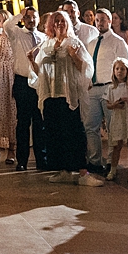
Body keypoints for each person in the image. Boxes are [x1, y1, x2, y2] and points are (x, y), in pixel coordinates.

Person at [32, 10, 96, 184]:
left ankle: (83, 172)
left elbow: (86, 68)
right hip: (51, 95)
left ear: (68, 23)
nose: (59, 24)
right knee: (55, 133)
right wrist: (32, 61)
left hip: (68, 95)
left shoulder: (74, 42)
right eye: (56, 21)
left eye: (63, 21)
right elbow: (39, 72)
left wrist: (74, 55)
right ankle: (63, 169)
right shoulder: (46, 44)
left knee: (73, 132)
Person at [81, 8, 128, 178]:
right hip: (93, 88)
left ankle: (111, 161)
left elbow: (125, 66)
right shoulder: (92, 42)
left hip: (110, 87)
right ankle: (95, 161)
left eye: (103, 20)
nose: (99, 23)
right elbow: (88, 65)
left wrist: (122, 88)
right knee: (90, 126)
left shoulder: (118, 42)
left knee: (112, 127)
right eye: (97, 20)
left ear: (110, 21)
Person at [6, 4, 44, 170]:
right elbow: (7, 25)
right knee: (22, 123)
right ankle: (22, 160)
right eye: (27, 17)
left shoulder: (43, 37)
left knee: (39, 122)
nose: (31, 20)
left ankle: (41, 159)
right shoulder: (17, 34)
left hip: (39, 83)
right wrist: (19, 14)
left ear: (39, 19)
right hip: (22, 81)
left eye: (34, 17)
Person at [0, 7, 17, 163]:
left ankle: (12, 149)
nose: (1, 23)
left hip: (10, 74)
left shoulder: (14, 36)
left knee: (10, 110)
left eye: (4, 20)